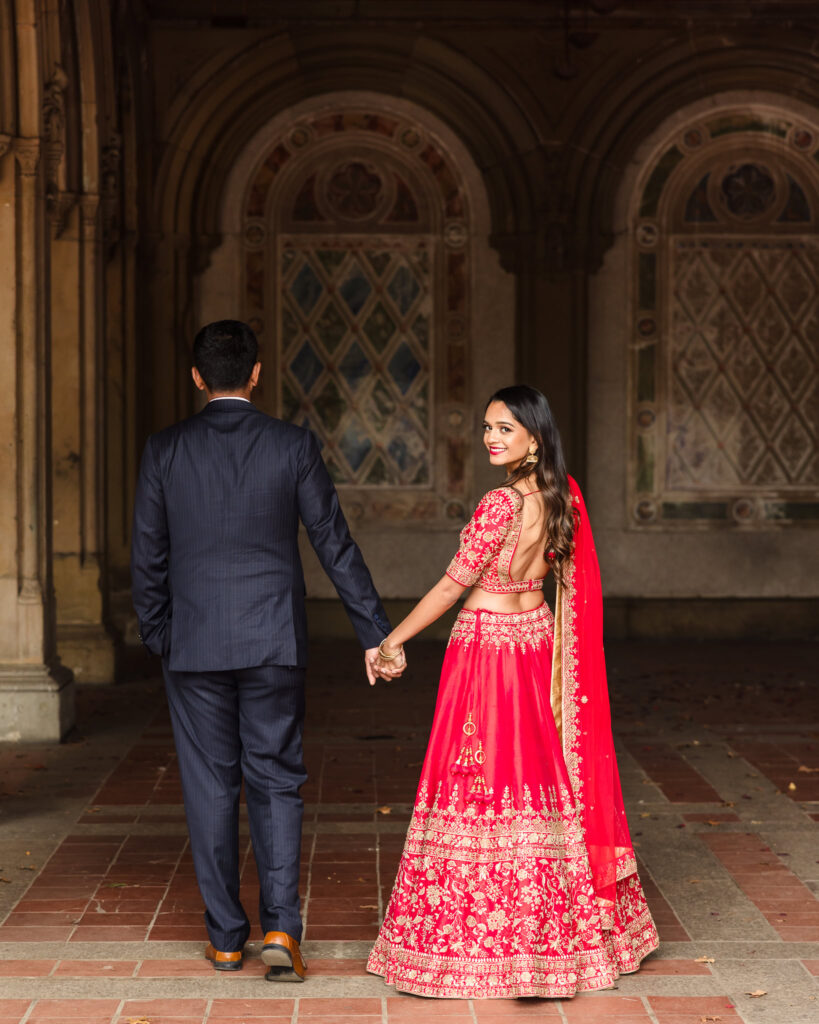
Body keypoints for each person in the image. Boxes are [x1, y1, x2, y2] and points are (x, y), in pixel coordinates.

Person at [366, 385, 659, 999]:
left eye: (504, 428)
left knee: (478, 782)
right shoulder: (562, 500)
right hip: (535, 644)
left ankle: (479, 942)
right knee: (534, 779)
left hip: (488, 647)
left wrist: (392, 640)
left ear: (533, 435)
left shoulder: (500, 504)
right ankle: (544, 940)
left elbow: (452, 587)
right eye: (487, 428)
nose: (491, 438)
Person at [130, 320, 393, 982]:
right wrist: (373, 632)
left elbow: (147, 555)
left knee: (209, 788)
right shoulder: (291, 445)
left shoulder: (165, 450)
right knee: (276, 780)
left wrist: (159, 632)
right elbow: (334, 541)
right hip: (273, 638)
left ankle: (224, 939)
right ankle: (281, 925)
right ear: (255, 373)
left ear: (196, 378)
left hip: (192, 644)